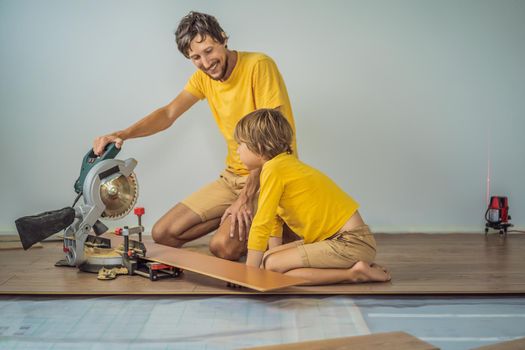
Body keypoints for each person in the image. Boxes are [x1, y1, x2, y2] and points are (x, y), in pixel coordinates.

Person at [92, 12, 297, 260]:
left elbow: (272, 143)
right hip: (232, 178)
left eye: (209, 50)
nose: (206, 62)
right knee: (163, 233)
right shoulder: (203, 78)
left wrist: (245, 199)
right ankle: (239, 224)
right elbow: (168, 113)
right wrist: (122, 133)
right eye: (196, 57)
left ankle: (282, 226)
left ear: (223, 39)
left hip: (269, 177)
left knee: (222, 248)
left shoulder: (259, 65)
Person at [234, 109, 390, 285]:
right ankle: (357, 266)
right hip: (336, 241)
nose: (237, 150)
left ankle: (353, 273)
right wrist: (272, 262)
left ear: (260, 146)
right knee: (269, 260)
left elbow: (261, 224)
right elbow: (274, 223)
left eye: (241, 144)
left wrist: (248, 275)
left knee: (271, 264)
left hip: (351, 243)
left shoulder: (274, 169)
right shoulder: (282, 166)